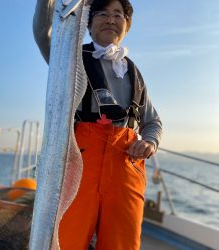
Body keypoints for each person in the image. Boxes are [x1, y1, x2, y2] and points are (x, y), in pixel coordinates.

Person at [33, 0, 162, 249]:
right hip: (78, 161)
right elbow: (43, 34)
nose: (111, 19)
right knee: (65, 238)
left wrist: (149, 142)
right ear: (88, 23)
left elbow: (152, 120)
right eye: (102, 13)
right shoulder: (69, 55)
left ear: (127, 25)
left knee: (122, 242)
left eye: (118, 14)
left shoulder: (134, 72)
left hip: (126, 167)